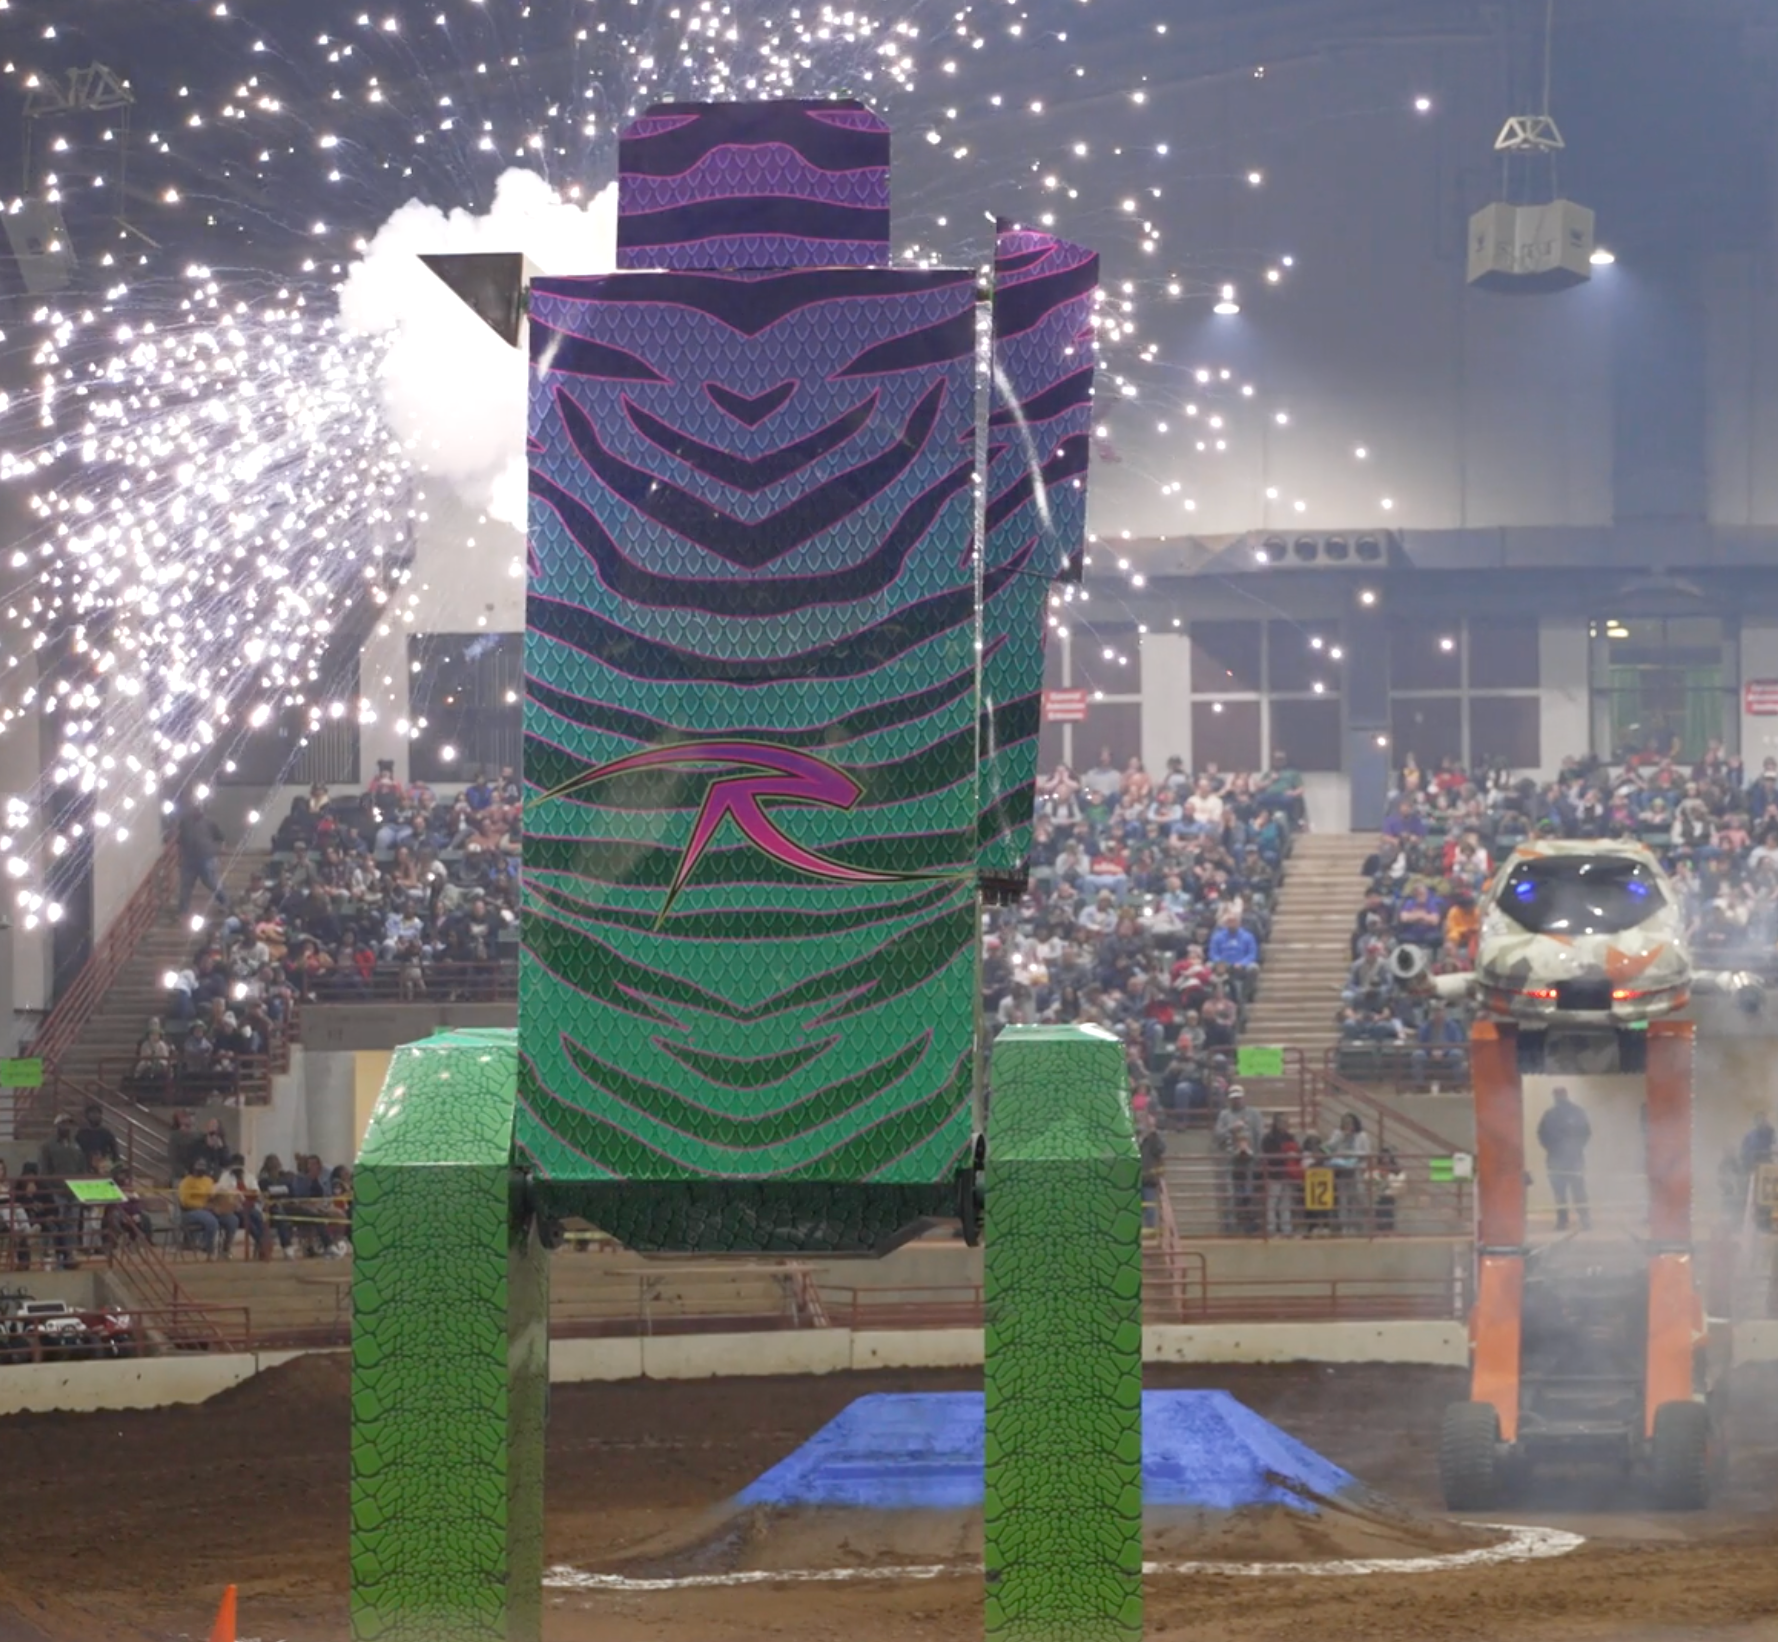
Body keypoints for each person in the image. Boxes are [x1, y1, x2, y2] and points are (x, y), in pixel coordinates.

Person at [1538, 1085, 1593, 1232]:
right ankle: (1576, 1219)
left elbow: (1586, 1133)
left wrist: (1556, 1149)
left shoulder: (1552, 1114)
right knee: (1570, 1191)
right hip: (1565, 1158)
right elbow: (1542, 1135)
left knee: (1569, 1191)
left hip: (1565, 1158)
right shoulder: (1572, 1112)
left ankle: (1572, 1220)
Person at [173, 795, 229, 918]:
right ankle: (183, 911)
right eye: (195, 808)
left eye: (199, 808)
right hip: (189, 859)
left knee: (211, 882)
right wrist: (179, 856)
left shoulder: (210, 822)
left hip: (206, 857)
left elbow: (220, 837)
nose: (197, 810)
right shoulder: (185, 822)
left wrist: (220, 850)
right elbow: (180, 839)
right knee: (186, 886)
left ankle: (224, 901)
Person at [176, 1158, 238, 1258]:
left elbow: (212, 1195)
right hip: (190, 1212)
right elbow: (184, 1202)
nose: (202, 1168)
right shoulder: (186, 1182)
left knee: (232, 1220)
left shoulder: (209, 1180)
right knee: (211, 1221)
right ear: (193, 1167)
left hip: (210, 1209)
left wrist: (220, 1203)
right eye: (199, 1165)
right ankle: (208, 1248)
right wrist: (203, 1206)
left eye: (204, 1165)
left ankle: (226, 1249)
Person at [1327, 1112, 1374, 1235]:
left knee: (1355, 1198)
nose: (1347, 1125)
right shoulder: (1337, 1133)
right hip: (1341, 1169)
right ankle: (1344, 1226)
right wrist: (1342, 1136)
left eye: (1349, 1122)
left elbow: (1367, 1153)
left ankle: (1355, 1225)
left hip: (1356, 1168)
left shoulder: (1362, 1135)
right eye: (1344, 1122)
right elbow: (1329, 1148)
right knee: (1343, 1199)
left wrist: (1353, 1155)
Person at [1260, 1112, 1301, 1237]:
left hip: (1288, 1173)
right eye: (1282, 1121)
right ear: (1276, 1123)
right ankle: (1272, 1229)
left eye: (1286, 1121)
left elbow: (1298, 1152)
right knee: (1272, 1203)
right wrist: (1284, 1155)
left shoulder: (1290, 1137)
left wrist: (1295, 1156)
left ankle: (1286, 1229)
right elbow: (1268, 1155)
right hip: (1274, 1173)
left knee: (1286, 1203)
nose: (1284, 1124)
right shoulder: (1268, 1138)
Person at [1137, 1106, 1166, 1230]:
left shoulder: (1153, 1138)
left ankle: (1150, 1230)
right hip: (1132, 1178)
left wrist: (1153, 1132)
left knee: (1150, 1207)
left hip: (1148, 1178)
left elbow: (1160, 1149)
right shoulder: (1130, 1138)